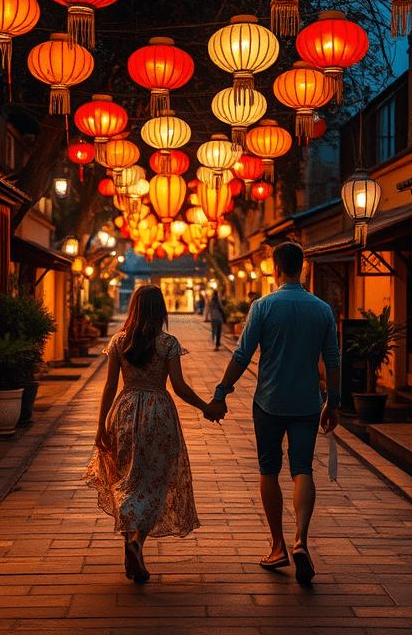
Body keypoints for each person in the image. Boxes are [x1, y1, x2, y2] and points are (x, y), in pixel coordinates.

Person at [209, 243, 341, 585]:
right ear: (303, 268)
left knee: (269, 470)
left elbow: (242, 355)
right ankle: (301, 541)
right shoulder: (323, 310)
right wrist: (334, 402)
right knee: (302, 470)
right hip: (308, 403)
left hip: (268, 402)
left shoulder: (263, 306)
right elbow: (334, 362)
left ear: (275, 269)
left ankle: (278, 545)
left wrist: (222, 391)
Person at [84, 285, 221, 583]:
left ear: (133, 308)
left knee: (126, 480)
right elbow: (180, 387)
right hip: (158, 414)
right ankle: (136, 544)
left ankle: (130, 551)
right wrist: (205, 407)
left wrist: (100, 425)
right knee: (153, 482)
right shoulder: (167, 343)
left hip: (124, 410)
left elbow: (108, 386)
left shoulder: (119, 342)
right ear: (160, 310)